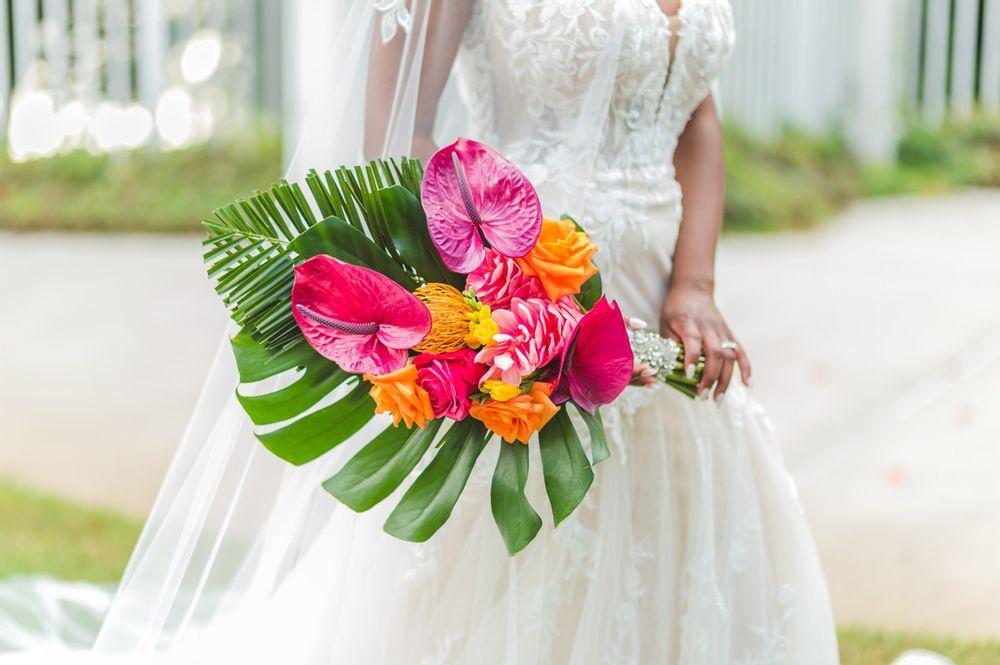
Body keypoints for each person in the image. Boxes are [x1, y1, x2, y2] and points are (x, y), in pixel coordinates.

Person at [0, 0, 839, 662]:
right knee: (511, 542)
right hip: (520, 281)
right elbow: (402, 125)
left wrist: (694, 284)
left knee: (671, 531)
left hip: (657, 297)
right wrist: (488, 292)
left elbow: (696, 119)